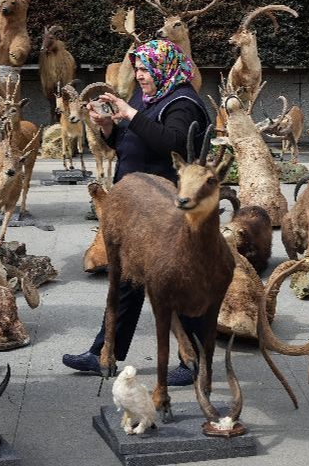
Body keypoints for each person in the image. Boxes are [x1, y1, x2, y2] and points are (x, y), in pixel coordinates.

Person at [62, 39, 211, 384]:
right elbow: (133, 143)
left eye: (145, 69)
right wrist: (109, 128)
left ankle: (194, 360)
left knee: (177, 283)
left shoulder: (183, 102)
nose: (140, 76)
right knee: (128, 281)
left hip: (167, 212)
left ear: (163, 67)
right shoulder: (152, 98)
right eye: (139, 69)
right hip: (140, 211)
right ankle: (105, 351)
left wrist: (131, 115)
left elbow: (171, 143)